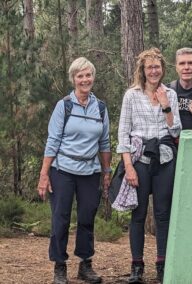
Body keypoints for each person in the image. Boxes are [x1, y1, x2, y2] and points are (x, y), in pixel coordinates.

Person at [37, 57, 112, 284]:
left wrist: (106, 172)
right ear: (73, 79)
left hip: (90, 171)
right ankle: (60, 267)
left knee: (87, 217)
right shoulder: (64, 106)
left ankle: (85, 265)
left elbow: (105, 143)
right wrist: (44, 174)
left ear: (93, 78)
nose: (85, 79)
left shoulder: (100, 107)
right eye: (80, 75)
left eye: (88, 75)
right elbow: (53, 141)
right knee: (60, 219)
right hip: (63, 171)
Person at [117, 48, 181, 284]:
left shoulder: (170, 95)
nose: (154, 71)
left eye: (157, 67)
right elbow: (123, 133)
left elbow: (176, 131)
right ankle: (136, 266)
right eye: (149, 68)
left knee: (163, 215)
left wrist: (165, 106)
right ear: (142, 71)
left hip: (164, 158)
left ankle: (162, 264)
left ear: (163, 69)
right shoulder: (131, 95)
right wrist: (128, 167)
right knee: (139, 214)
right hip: (140, 159)